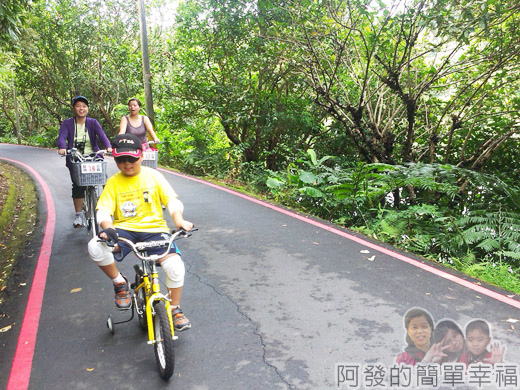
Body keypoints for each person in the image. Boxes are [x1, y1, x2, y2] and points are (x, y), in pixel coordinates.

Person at [87, 134, 193, 331]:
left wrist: (179, 220)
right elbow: (103, 210)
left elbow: (171, 200)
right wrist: (108, 229)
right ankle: (120, 283)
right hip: (124, 230)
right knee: (95, 246)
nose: (127, 164)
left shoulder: (154, 176)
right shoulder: (113, 182)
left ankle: (175, 308)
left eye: (132, 159)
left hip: (154, 230)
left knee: (176, 267)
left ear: (142, 156)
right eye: (121, 159)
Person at [57, 95, 113, 228]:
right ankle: (78, 215)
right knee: (78, 185)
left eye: (84, 106)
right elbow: (62, 136)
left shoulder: (93, 122)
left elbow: (102, 135)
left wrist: (108, 147)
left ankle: (105, 206)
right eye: (78, 106)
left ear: (87, 108)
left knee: (103, 179)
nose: (81, 109)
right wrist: (62, 148)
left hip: (93, 156)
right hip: (75, 157)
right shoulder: (67, 123)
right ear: (74, 108)